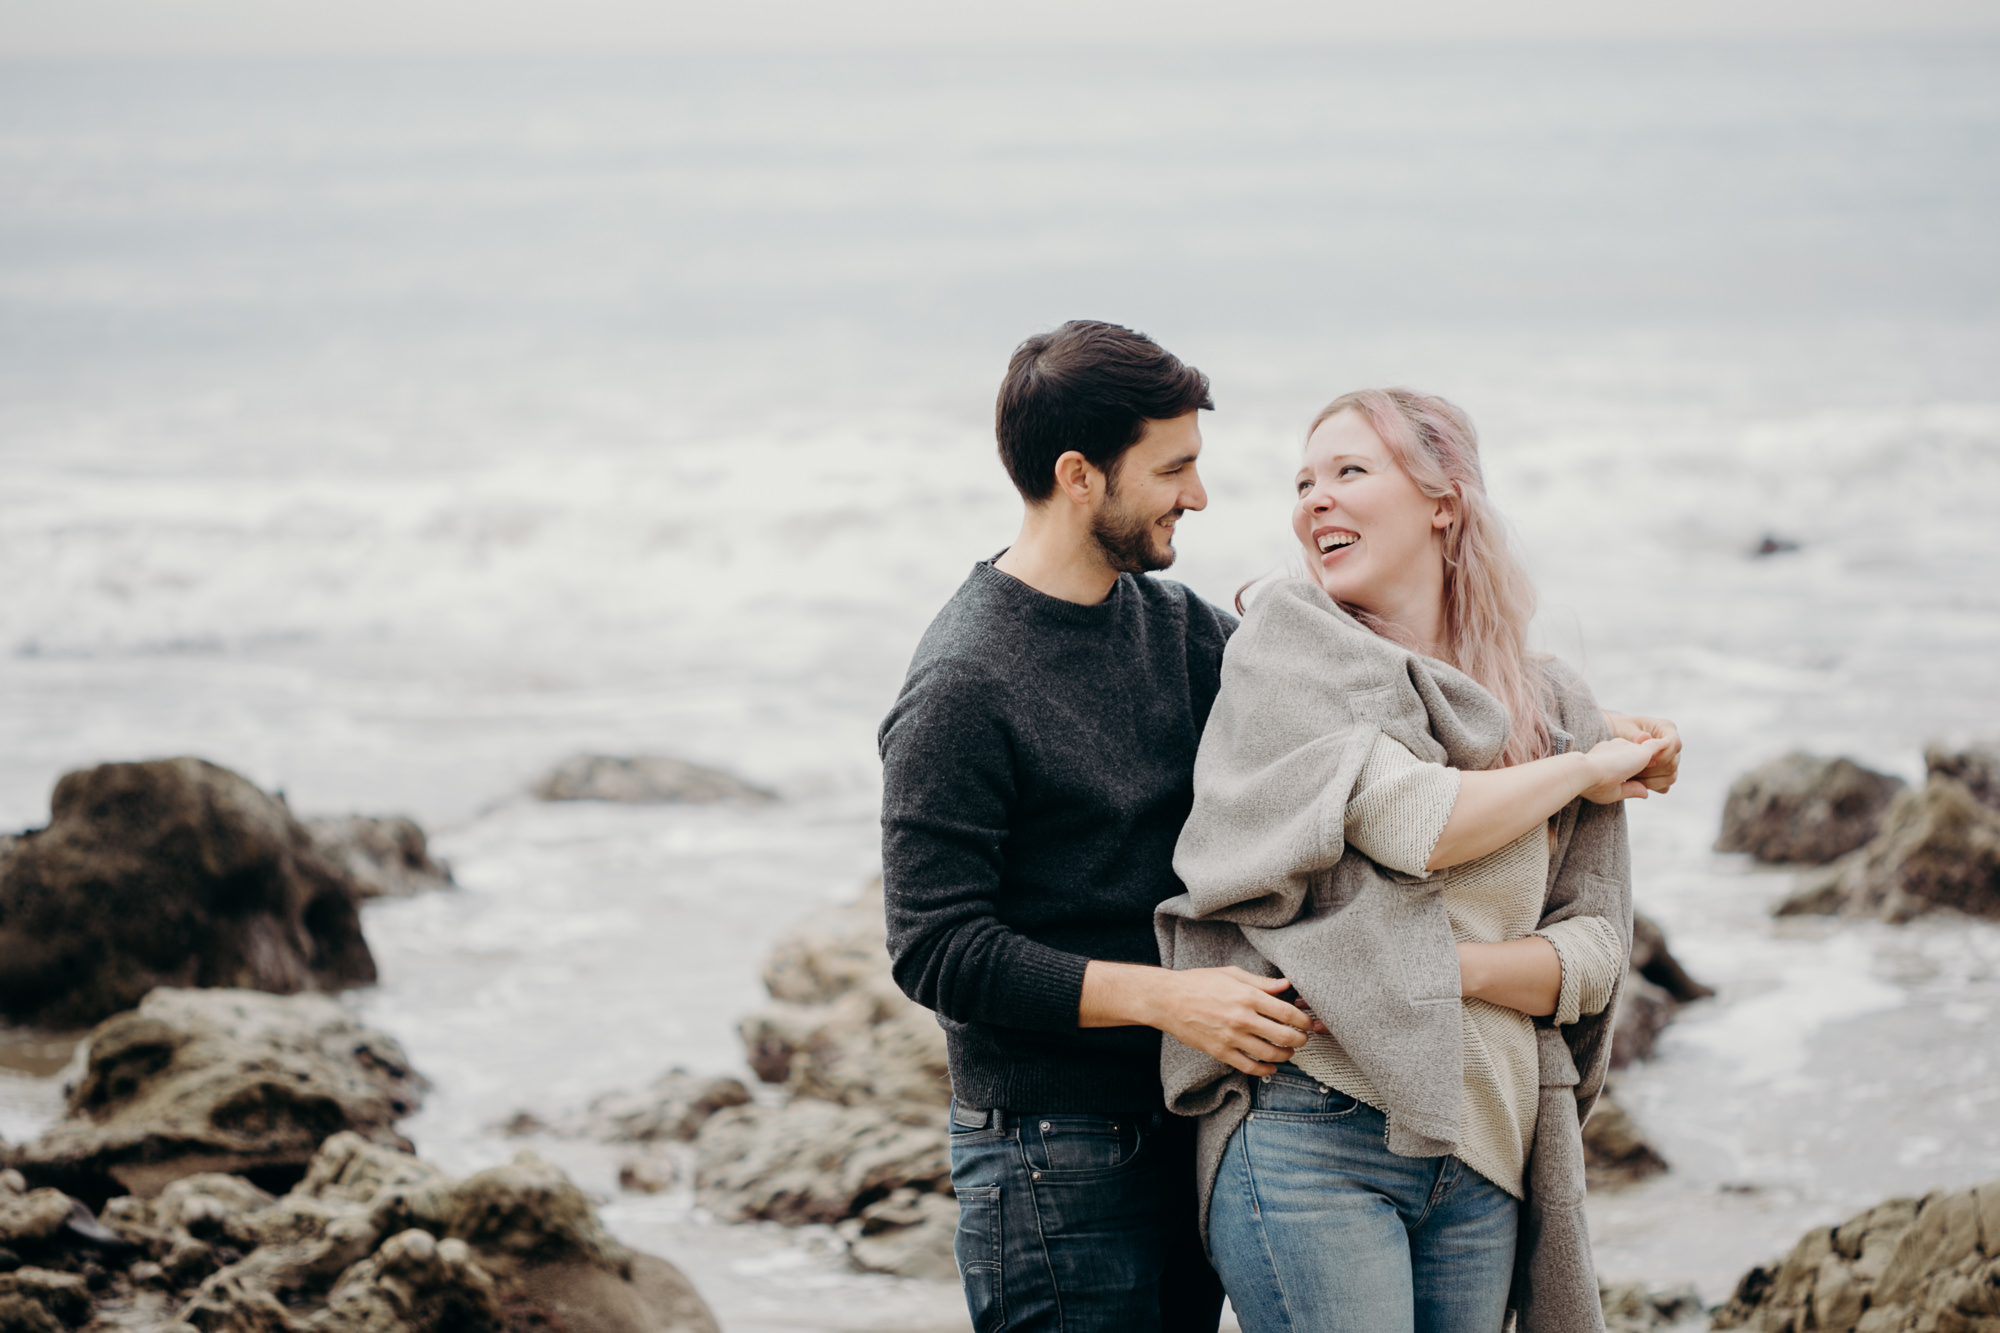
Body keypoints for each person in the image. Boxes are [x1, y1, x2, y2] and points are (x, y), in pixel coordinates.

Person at [879, 332, 1678, 1333]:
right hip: (1052, 1145)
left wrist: (1590, 732)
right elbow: (934, 946)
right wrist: (1171, 999)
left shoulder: (1181, 631)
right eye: (1174, 469)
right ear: (1079, 477)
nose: (1201, 497)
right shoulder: (963, 680)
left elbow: (1373, 690)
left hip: (1198, 1104)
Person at [1157, 387, 1661, 1333]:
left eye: (1351, 471)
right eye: (1304, 482)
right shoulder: (1289, 651)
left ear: (1444, 500)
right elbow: (1417, 819)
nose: (1315, 500)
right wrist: (1582, 768)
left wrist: (1429, 972)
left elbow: (1595, 948)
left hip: (1485, 1147)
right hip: (1317, 1125)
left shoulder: (1544, 701)